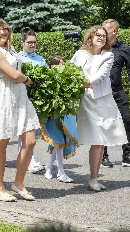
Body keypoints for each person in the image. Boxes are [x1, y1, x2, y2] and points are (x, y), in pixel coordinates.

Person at [0, 17, 39, 202]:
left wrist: (23, 80)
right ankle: (0, 188)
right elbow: (13, 74)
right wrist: (27, 79)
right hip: (0, 97)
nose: (2, 33)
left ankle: (18, 183)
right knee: (1, 144)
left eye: (4, 29)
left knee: (30, 140)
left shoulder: (9, 49)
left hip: (18, 96)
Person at [71, 25, 127, 192]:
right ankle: (58, 169)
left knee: (100, 141)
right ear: (90, 37)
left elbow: (100, 77)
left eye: (104, 36)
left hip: (102, 101)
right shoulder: (79, 54)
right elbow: (70, 70)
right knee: (94, 140)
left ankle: (93, 178)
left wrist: (80, 84)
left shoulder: (108, 55)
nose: (102, 38)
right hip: (84, 100)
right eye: (98, 35)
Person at [101, 19, 130, 168]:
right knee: (104, 123)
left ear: (114, 31)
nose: (102, 34)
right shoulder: (99, 48)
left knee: (126, 120)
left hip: (118, 91)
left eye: (105, 31)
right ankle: (103, 156)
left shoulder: (124, 48)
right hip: (103, 92)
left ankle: (127, 155)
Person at [42, 55, 77, 183]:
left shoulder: (67, 78)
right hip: (52, 117)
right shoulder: (48, 79)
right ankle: (61, 172)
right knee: (59, 144)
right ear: (52, 65)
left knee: (58, 145)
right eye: (59, 64)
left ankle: (49, 168)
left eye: (63, 64)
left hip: (63, 116)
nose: (62, 67)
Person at [17, 27, 46, 174]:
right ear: (22, 42)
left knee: (33, 130)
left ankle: (29, 158)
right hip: (22, 97)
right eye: (30, 42)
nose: (33, 45)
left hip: (36, 98)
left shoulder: (40, 59)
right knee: (23, 130)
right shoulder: (18, 58)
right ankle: (26, 160)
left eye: (34, 42)